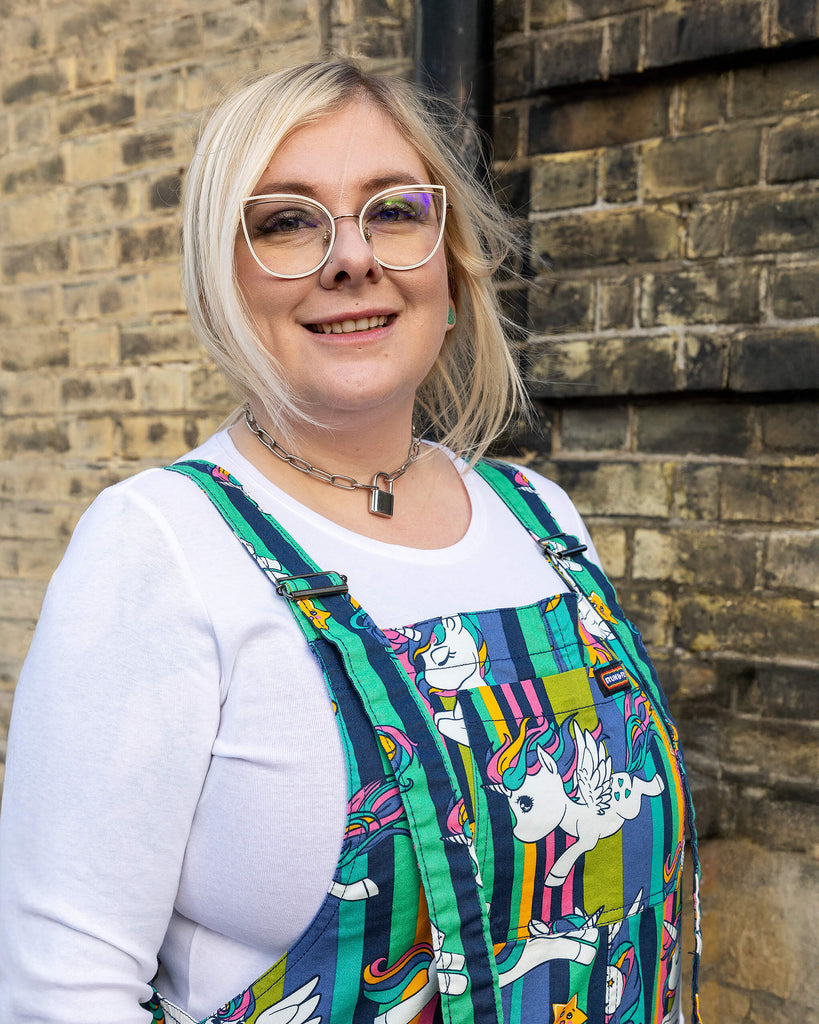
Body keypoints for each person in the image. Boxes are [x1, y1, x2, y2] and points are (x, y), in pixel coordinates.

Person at [0, 60, 700, 1024]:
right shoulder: (160, 547)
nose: (350, 258)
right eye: (286, 221)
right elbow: (58, 992)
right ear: (224, 279)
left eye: (393, 211)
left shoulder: (543, 521)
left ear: (448, 264)